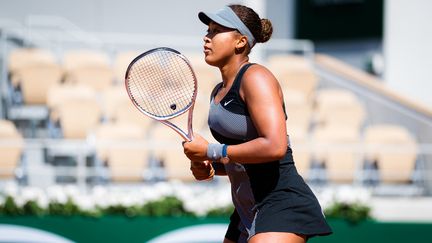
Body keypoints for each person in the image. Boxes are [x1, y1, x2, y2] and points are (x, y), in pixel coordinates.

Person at [183, 4, 332, 243]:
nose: (206, 37)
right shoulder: (218, 92)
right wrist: (210, 166)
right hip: (246, 210)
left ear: (240, 42)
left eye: (216, 31)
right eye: (208, 30)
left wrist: (211, 150)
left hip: (280, 203)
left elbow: (274, 146)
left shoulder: (256, 78)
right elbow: (242, 160)